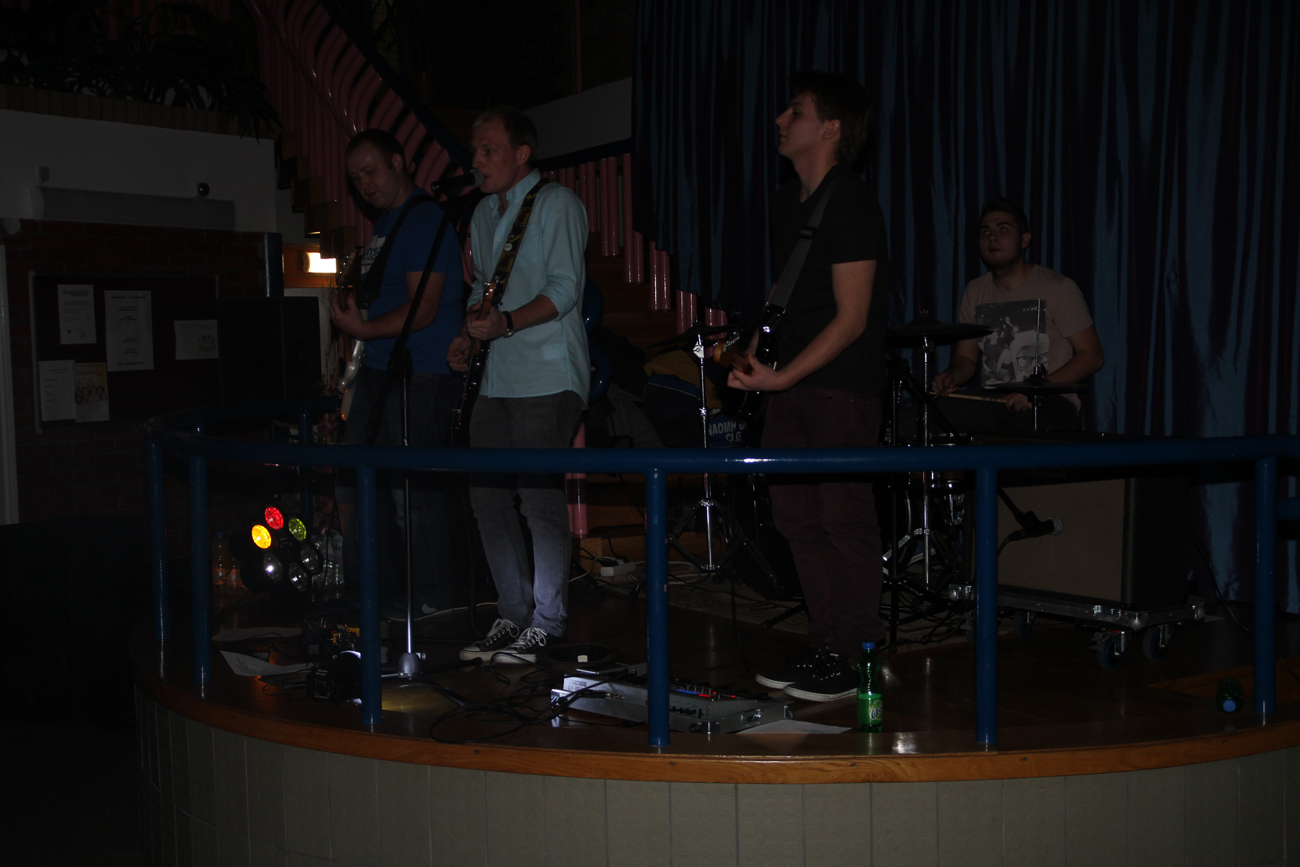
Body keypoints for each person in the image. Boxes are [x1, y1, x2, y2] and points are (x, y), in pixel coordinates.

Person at [728, 72, 890, 702]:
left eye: (794, 111)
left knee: (845, 523)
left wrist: (784, 376)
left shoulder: (850, 202)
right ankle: (826, 647)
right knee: (797, 522)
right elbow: (788, 290)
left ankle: (858, 657)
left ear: (831, 129)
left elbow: (852, 318)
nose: (779, 120)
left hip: (839, 391)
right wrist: (754, 354)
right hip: (791, 387)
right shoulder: (787, 201)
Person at [448, 108, 589, 664]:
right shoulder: (483, 213)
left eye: (489, 151)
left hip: (548, 374)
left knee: (538, 499)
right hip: (495, 375)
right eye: (475, 151)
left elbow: (565, 288)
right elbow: (483, 287)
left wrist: (505, 323)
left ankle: (547, 622)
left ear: (522, 153)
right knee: (487, 498)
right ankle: (512, 613)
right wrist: (469, 332)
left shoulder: (557, 203)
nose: (477, 161)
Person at [330, 129, 464, 620]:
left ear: (398, 161)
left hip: (420, 373)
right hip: (382, 369)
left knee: (412, 496)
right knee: (361, 486)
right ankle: (374, 593)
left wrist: (362, 328)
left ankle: (431, 598)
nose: (364, 184)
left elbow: (423, 309)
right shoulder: (389, 222)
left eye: (371, 171)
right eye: (355, 178)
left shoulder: (422, 220)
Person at [929, 199, 1104, 433]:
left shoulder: (1058, 287)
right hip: (995, 403)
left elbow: (1092, 355)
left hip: (1049, 401)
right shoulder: (975, 290)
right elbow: (966, 358)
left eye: (1003, 229)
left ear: (1024, 240)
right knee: (922, 416)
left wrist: (1036, 390)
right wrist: (951, 375)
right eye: (985, 231)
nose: (992, 237)